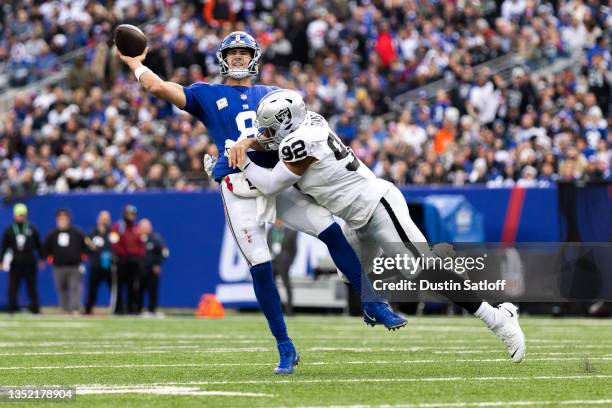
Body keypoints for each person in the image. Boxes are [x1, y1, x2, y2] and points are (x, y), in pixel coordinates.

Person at [117, 31, 405, 375]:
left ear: (254, 57)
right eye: (233, 53)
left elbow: (302, 132)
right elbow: (160, 88)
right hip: (239, 188)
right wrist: (136, 64)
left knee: (331, 231)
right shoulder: (207, 93)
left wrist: (250, 141)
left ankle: (373, 303)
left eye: (243, 52)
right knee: (261, 266)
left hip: (277, 183)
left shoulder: (273, 95)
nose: (238, 58)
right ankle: (285, 346)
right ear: (223, 58)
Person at [228, 89, 527, 363]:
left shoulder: (299, 144)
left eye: (268, 129)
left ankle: (498, 318)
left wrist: (241, 161)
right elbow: (270, 145)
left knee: (421, 269)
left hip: (378, 204)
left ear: (286, 126)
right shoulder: (308, 124)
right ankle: (376, 303)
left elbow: (268, 184)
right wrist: (249, 142)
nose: (263, 135)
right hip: (357, 218)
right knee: (350, 273)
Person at [1, 203, 44, 314]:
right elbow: (4, 246)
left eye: (22, 215)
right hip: (15, 259)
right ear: (15, 215)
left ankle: (35, 308)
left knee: (31, 286)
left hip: (29, 259)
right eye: (19, 215)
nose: (20, 217)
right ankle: (12, 308)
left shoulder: (32, 228)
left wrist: (42, 258)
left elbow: (39, 245)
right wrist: (1, 261)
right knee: (13, 286)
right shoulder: (10, 229)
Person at [44, 209, 88, 314]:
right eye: (60, 219)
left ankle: (75, 308)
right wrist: (49, 258)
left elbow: (86, 247)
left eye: (65, 219)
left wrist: (83, 257)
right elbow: (46, 249)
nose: (63, 221)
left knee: (75, 287)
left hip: (74, 266)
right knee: (61, 288)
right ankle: (65, 308)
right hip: (58, 266)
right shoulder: (52, 234)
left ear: (69, 220)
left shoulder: (77, 233)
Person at [110, 205, 145, 315]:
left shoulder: (137, 228)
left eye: (133, 214)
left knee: (133, 286)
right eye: (129, 214)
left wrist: (139, 256)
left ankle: (131, 308)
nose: (131, 216)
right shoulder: (118, 226)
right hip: (122, 261)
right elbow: (114, 241)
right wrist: (123, 254)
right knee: (120, 286)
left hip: (134, 261)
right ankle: (119, 309)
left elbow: (141, 244)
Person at [84, 210, 113, 315]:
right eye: (102, 219)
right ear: (98, 220)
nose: (104, 221)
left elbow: (117, 247)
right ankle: (88, 309)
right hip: (96, 265)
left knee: (113, 288)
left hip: (110, 266)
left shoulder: (113, 233)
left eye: (106, 219)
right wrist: (91, 248)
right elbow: (86, 247)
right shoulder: (91, 234)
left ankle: (117, 309)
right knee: (92, 288)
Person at [138, 218, 168, 316]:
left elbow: (164, 252)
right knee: (139, 290)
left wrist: (158, 264)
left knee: (153, 290)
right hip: (140, 269)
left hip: (152, 270)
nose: (143, 229)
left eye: (145, 227)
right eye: (142, 227)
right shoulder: (137, 238)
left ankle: (152, 309)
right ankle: (139, 309)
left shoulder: (156, 238)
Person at [267, 219, 297, 315]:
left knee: (286, 284)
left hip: (284, 263)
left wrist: (290, 262)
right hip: (273, 261)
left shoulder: (290, 231)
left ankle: (289, 308)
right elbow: (267, 244)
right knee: (272, 285)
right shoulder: (271, 230)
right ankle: (275, 308)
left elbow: (294, 249)